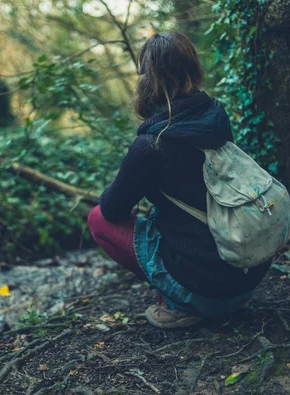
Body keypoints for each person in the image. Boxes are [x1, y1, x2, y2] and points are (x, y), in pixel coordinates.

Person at [87, 32, 272, 329]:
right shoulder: (215, 118)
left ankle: (180, 302)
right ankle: (205, 294)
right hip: (246, 279)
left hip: (206, 293)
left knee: (97, 219)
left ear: (147, 79)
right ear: (192, 69)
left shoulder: (150, 145)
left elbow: (111, 211)